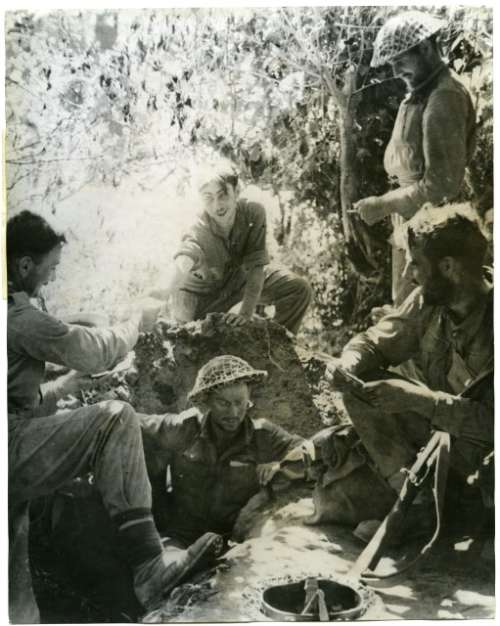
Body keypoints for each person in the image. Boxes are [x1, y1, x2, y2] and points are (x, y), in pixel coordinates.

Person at [7, 211, 223, 622]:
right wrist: (134, 324)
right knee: (114, 419)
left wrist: (62, 388)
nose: (51, 278)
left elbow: (17, 399)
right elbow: (92, 350)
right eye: (50, 267)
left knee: (14, 599)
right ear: (25, 265)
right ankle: (149, 568)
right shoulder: (16, 316)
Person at [312, 204, 493, 537]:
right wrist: (347, 364)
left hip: (487, 452)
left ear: (448, 267)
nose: (410, 273)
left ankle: (466, 513)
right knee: (362, 387)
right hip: (444, 439)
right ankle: (418, 505)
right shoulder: (429, 301)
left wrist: (421, 401)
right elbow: (374, 343)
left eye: (417, 263)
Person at [354, 10, 476, 306]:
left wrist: (383, 204)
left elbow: (441, 186)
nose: (396, 71)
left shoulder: (444, 97)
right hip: (415, 225)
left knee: (421, 314)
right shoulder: (422, 94)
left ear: (425, 48)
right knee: (405, 309)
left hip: (437, 233)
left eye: (400, 60)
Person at [140, 355, 311, 546]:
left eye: (240, 402)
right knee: (168, 561)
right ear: (208, 402)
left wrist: (281, 465)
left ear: (249, 400)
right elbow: (133, 423)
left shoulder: (263, 435)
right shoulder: (185, 428)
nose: (233, 413)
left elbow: (312, 451)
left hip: (234, 540)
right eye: (223, 403)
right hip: (181, 535)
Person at [153, 163, 312, 333]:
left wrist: (245, 312)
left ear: (236, 192)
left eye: (222, 195)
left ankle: (278, 341)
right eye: (208, 198)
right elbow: (184, 258)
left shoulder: (253, 212)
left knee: (298, 288)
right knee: (184, 334)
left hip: (238, 282)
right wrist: (161, 292)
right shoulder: (198, 225)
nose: (217, 205)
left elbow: (256, 268)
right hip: (200, 296)